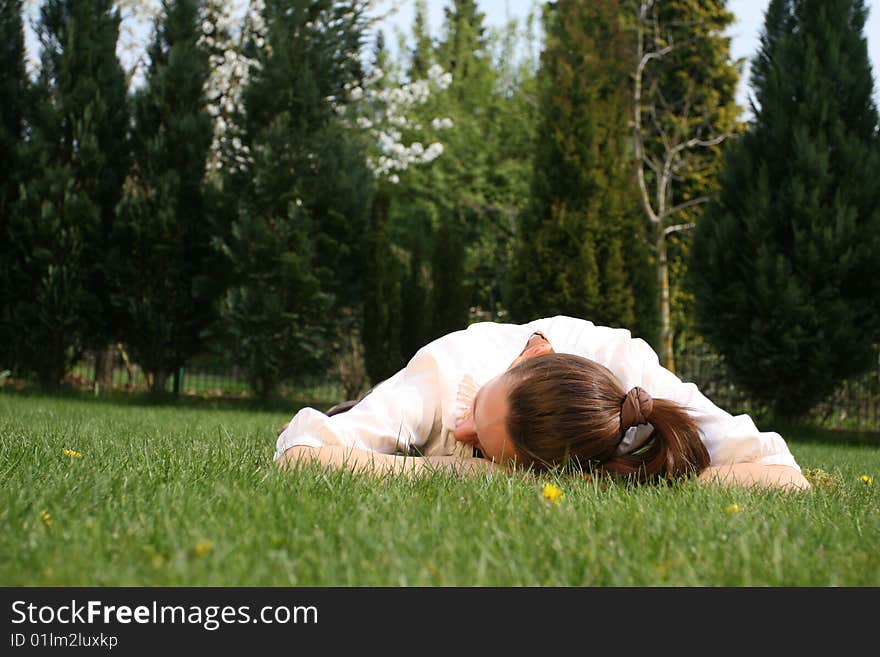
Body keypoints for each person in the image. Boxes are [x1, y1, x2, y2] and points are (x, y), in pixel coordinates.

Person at [274, 315, 810, 490]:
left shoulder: (639, 387)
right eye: (478, 416)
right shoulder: (449, 372)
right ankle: (359, 408)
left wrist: (625, 481)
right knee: (364, 419)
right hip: (413, 405)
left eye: (481, 448)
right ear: (529, 357)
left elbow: (786, 477)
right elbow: (299, 455)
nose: (465, 433)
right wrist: (441, 470)